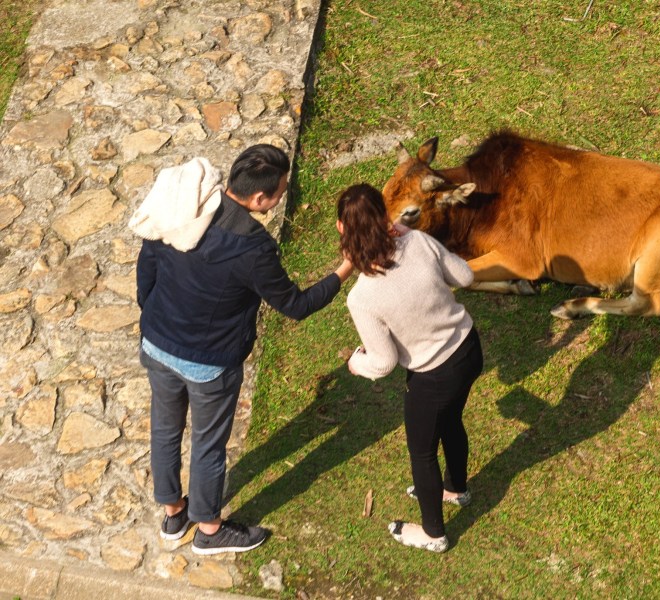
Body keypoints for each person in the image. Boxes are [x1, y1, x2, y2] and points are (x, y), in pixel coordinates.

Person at [131, 144, 353, 555]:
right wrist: (344, 270)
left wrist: (156, 318)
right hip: (208, 363)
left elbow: (147, 268)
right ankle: (210, 531)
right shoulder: (252, 246)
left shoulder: (181, 205)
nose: (282, 196)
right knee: (208, 444)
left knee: (164, 429)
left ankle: (173, 513)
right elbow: (296, 306)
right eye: (281, 191)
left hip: (157, 344)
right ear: (259, 199)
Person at [337, 183, 483, 553]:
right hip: (468, 349)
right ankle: (456, 488)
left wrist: (357, 362)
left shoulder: (363, 297)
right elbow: (464, 277)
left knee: (422, 453)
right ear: (386, 216)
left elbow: (383, 362)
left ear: (342, 229)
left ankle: (434, 534)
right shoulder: (417, 241)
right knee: (450, 421)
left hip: (433, 376)